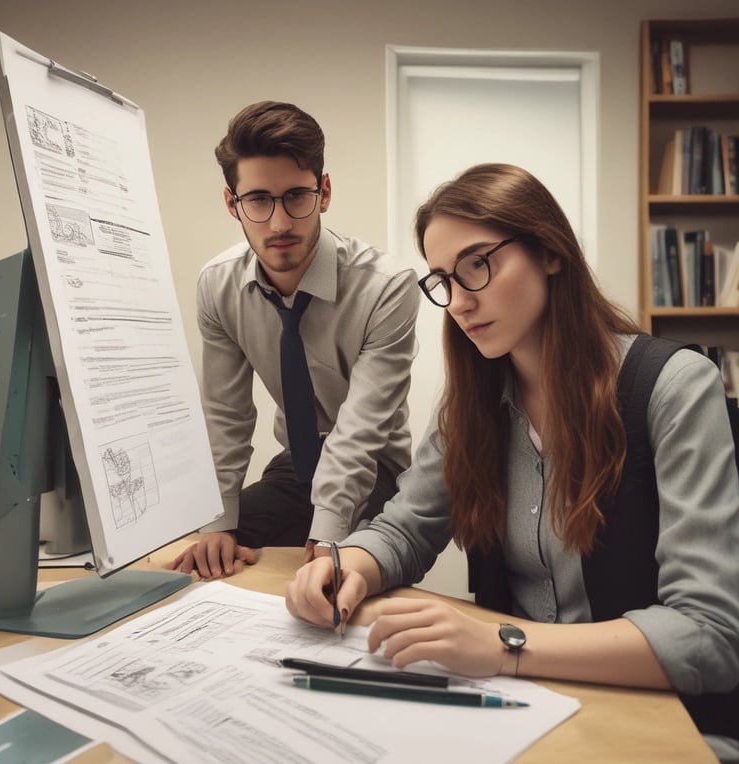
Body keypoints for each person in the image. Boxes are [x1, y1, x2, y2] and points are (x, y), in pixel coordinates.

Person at [286, 163, 739, 762]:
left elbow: (708, 635)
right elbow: (405, 527)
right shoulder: (473, 401)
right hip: (519, 711)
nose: (460, 302)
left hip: (659, 723)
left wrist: (504, 644)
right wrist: (352, 566)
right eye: (444, 279)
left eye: (478, 264)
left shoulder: (674, 386)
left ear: (550, 252)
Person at [169, 101, 419, 579]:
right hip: (295, 466)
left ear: (324, 192)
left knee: (340, 576)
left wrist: (327, 533)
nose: (280, 223)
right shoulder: (218, 286)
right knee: (212, 555)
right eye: (258, 200)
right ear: (232, 203)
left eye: (296, 197)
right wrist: (218, 521)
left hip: (376, 470)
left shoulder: (386, 286)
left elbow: (361, 431)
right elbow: (226, 414)